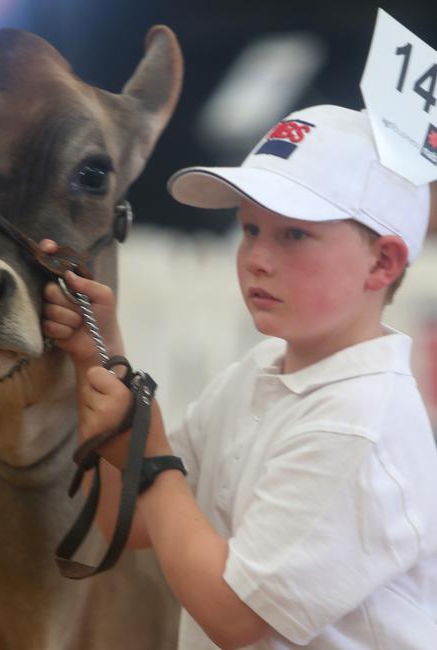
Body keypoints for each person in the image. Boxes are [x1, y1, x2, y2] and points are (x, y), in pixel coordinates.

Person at [42, 105, 437, 649]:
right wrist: (98, 357)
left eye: (294, 234)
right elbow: (127, 522)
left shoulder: (356, 427)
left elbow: (233, 618)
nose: (256, 258)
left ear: (382, 264)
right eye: (251, 228)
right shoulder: (261, 373)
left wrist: (149, 452)